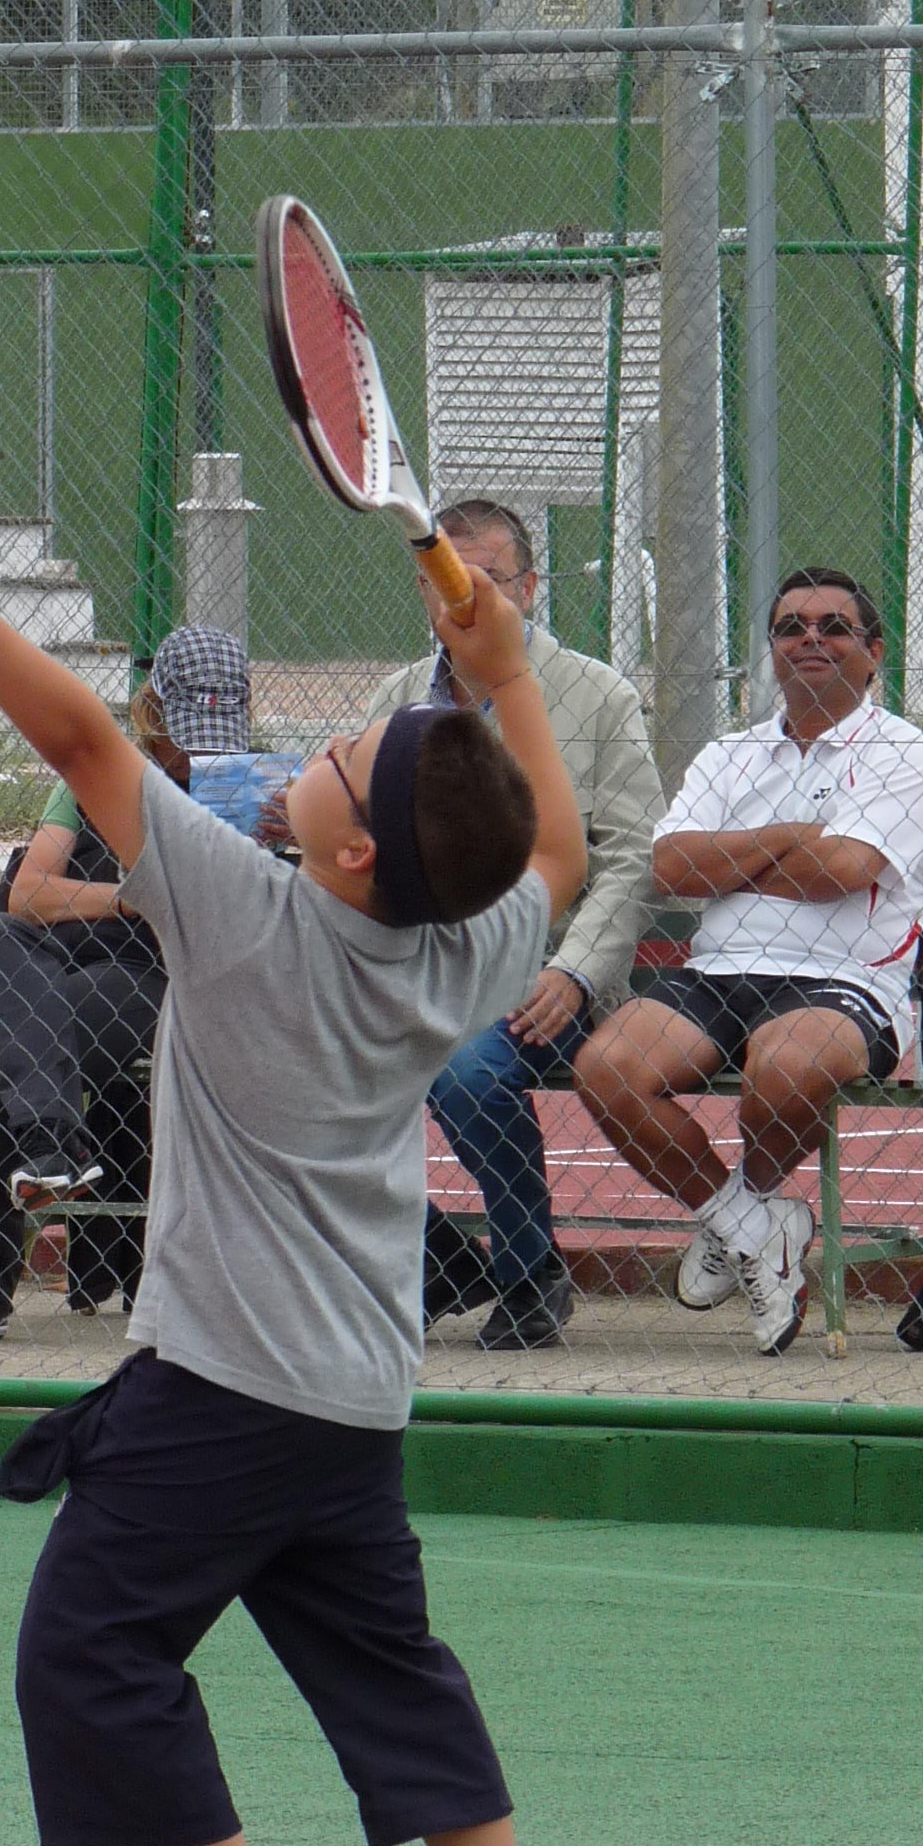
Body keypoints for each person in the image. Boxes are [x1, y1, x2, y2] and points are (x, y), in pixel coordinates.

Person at [0, 478, 589, 1846]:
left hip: (224, 1389)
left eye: (340, 757)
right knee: (385, 1669)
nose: (318, 749)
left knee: (88, 1652)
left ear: (352, 848)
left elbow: (84, 741)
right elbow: (561, 850)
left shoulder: (252, 919)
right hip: (351, 1391)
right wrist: (503, 667)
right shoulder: (465, 947)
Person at [574, 566, 923, 1357]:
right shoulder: (729, 755)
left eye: (834, 627)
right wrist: (790, 839)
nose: (811, 639)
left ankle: (739, 1216)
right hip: (717, 973)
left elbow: (844, 870)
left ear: (874, 651)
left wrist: (733, 860)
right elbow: (671, 867)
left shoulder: (903, 752)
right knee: (607, 1067)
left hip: (846, 983)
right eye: (790, 627)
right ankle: (749, 1225)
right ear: (772, 650)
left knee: (782, 1068)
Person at [0, 629, 253, 1348]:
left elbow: (235, 911)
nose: (196, 756)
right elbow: (28, 896)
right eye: (185, 735)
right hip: (61, 961)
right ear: (154, 712)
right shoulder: (97, 775)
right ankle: (49, 1146)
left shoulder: (260, 791)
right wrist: (135, 895)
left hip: (157, 977)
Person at [367, 499, 660, 1351]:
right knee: (279, 1059)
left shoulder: (599, 697)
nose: (459, 597)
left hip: (544, 978)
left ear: (527, 590)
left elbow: (633, 858)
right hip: (417, 970)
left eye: (484, 580)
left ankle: (530, 1274)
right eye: (441, 580)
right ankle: (441, 1263)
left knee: (464, 1070)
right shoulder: (396, 700)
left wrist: (576, 971)